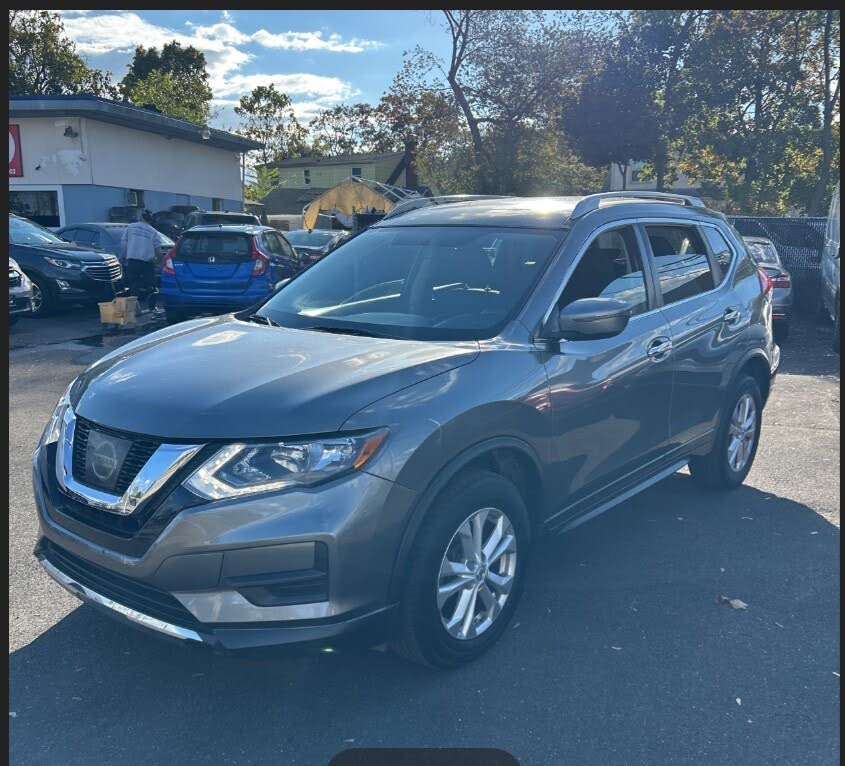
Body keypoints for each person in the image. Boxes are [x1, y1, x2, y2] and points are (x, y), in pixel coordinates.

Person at [121, 211, 165, 309]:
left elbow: (124, 243)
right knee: (151, 286)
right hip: (147, 263)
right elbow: (158, 250)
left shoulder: (130, 227)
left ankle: (135, 308)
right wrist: (160, 263)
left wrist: (125, 256)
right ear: (151, 220)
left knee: (133, 285)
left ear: (141, 217)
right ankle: (152, 308)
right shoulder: (153, 232)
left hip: (133, 261)